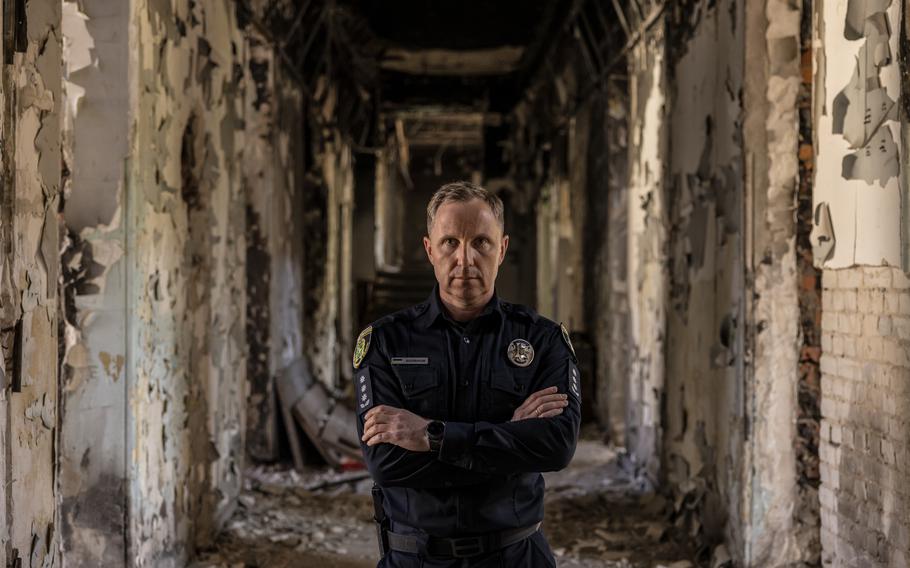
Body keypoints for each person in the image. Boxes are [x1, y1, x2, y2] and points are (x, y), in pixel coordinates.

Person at [353, 181, 581, 567]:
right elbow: (386, 463)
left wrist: (429, 436)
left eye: (481, 242)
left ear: (502, 249)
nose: (465, 259)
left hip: (515, 556)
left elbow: (556, 446)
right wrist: (510, 435)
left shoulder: (542, 340)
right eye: (450, 243)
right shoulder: (386, 343)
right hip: (415, 559)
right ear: (429, 250)